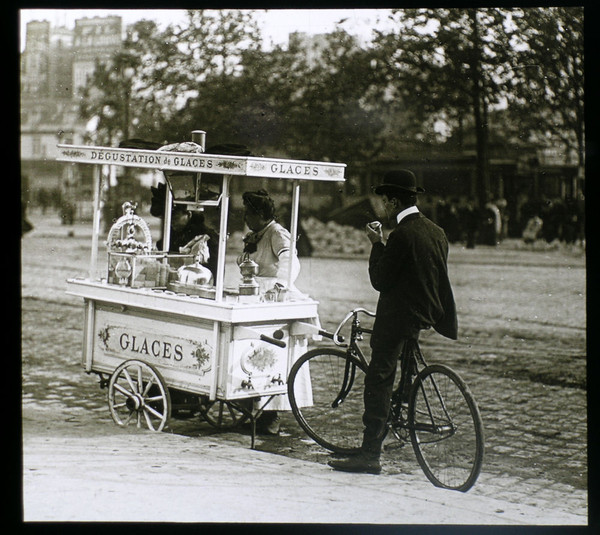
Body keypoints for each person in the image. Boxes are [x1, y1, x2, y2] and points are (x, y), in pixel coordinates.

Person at [329, 169, 458, 474]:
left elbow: (381, 281)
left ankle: (370, 454)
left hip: (397, 316)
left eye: (385, 201)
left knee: (379, 379)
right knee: (406, 371)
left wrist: (376, 243)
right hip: (425, 314)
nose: (384, 207)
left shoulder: (401, 235)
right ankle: (400, 414)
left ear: (393, 201)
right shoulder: (436, 231)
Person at [237, 189, 306, 435]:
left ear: (260, 214)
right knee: (249, 349)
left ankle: (272, 413)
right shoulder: (256, 235)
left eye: (249, 212)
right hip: (253, 295)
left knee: (270, 352)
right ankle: (251, 403)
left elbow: (291, 261)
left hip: (272, 296)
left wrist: (280, 285)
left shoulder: (277, 233)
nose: (245, 217)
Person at [150, 183, 219, 280]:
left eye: (175, 217)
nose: (171, 221)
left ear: (189, 214)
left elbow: (214, 274)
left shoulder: (207, 238)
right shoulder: (171, 237)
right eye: (167, 217)